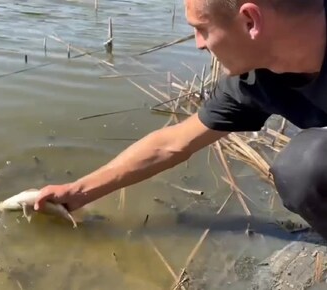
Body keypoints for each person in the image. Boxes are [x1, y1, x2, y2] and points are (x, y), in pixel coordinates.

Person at [34, 0, 327, 239]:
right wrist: (78, 192)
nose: (198, 44)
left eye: (202, 29)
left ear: (250, 21)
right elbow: (172, 144)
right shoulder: (256, 80)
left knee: (304, 167)